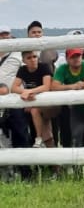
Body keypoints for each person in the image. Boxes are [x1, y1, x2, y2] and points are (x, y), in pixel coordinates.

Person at [51, 48, 84, 148]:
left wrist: (65, 88)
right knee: (76, 137)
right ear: (67, 59)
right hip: (77, 108)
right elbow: (53, 87)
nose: (76, 59)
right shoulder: (62, 69)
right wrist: (73, 86)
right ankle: (78, 162)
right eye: (73, 57)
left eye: (78, 56)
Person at [0, 25, 32, 180]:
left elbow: (27, 73)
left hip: (15, 100)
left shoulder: (19, 53)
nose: (4, 37)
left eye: (6, 34)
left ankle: (26, 172)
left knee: (20, 134)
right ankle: (6, 173)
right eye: (1, 35)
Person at [11, 51, 53, 148]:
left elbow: (46, 86)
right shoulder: (22, 69)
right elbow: (13, 88)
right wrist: (27, 92)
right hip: (31, 100)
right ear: (23, 60)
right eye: (29, 58)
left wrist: (29, 92)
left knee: (49, 132)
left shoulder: (44, 66)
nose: (33, 60)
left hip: (48, 102)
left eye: (34, 57)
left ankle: (39, 138)